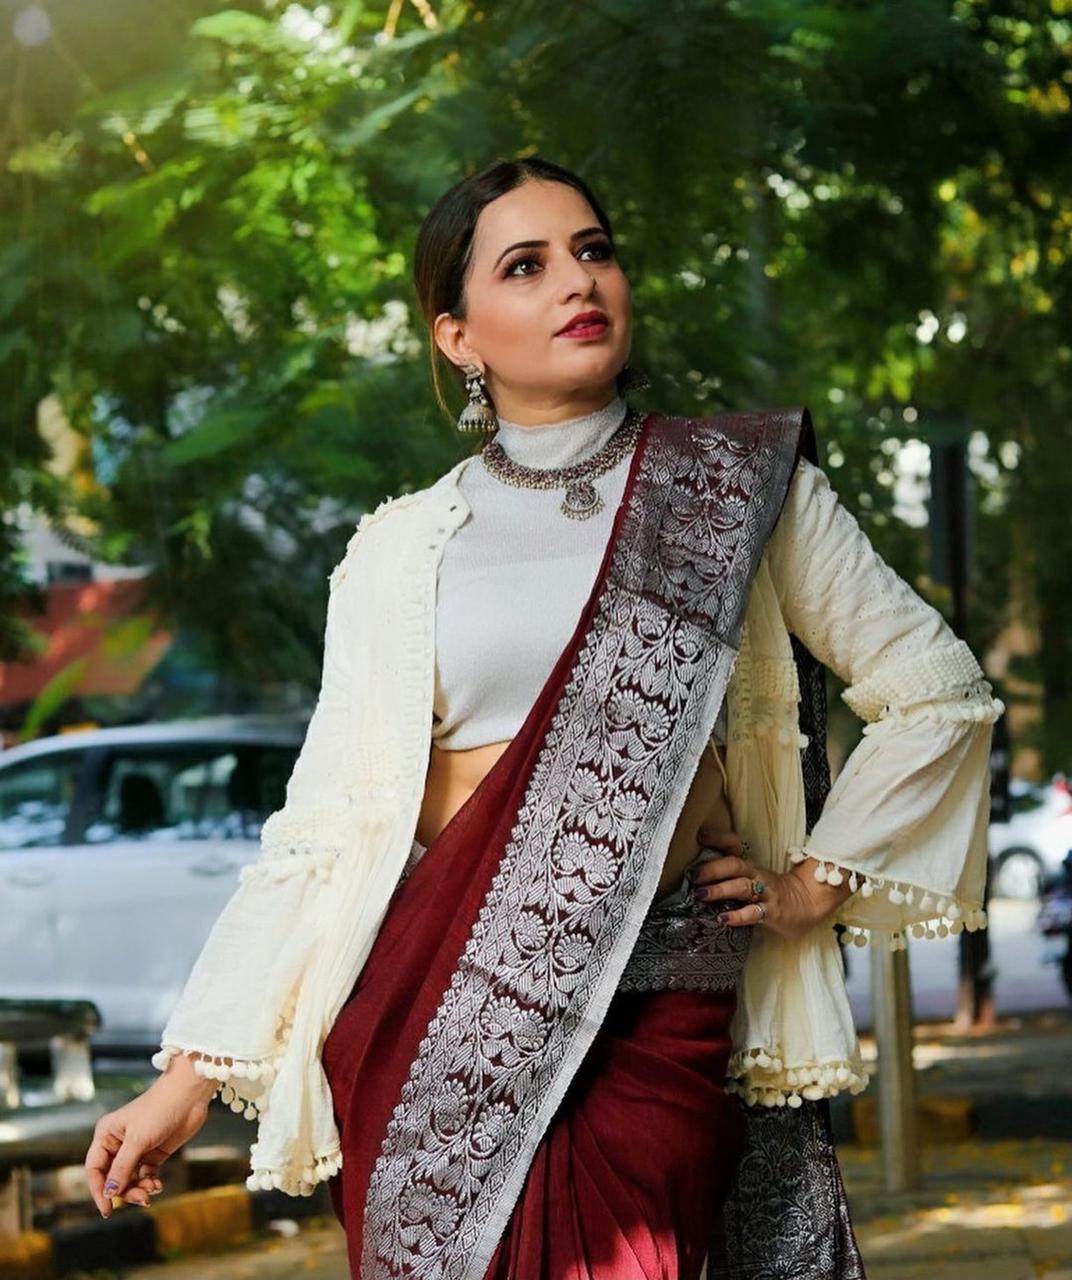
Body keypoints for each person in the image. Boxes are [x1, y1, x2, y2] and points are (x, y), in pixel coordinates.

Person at [84, 157, 1004, 1280]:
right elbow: (321, 834)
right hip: (427, 1016)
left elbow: (935, 687)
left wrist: (812, 881)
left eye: (592, 249)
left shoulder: (728, 489)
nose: (577, 280)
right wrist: (184, 1081)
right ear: (457, 335)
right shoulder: (400, 547)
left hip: (654, 1005)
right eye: (525, 265)